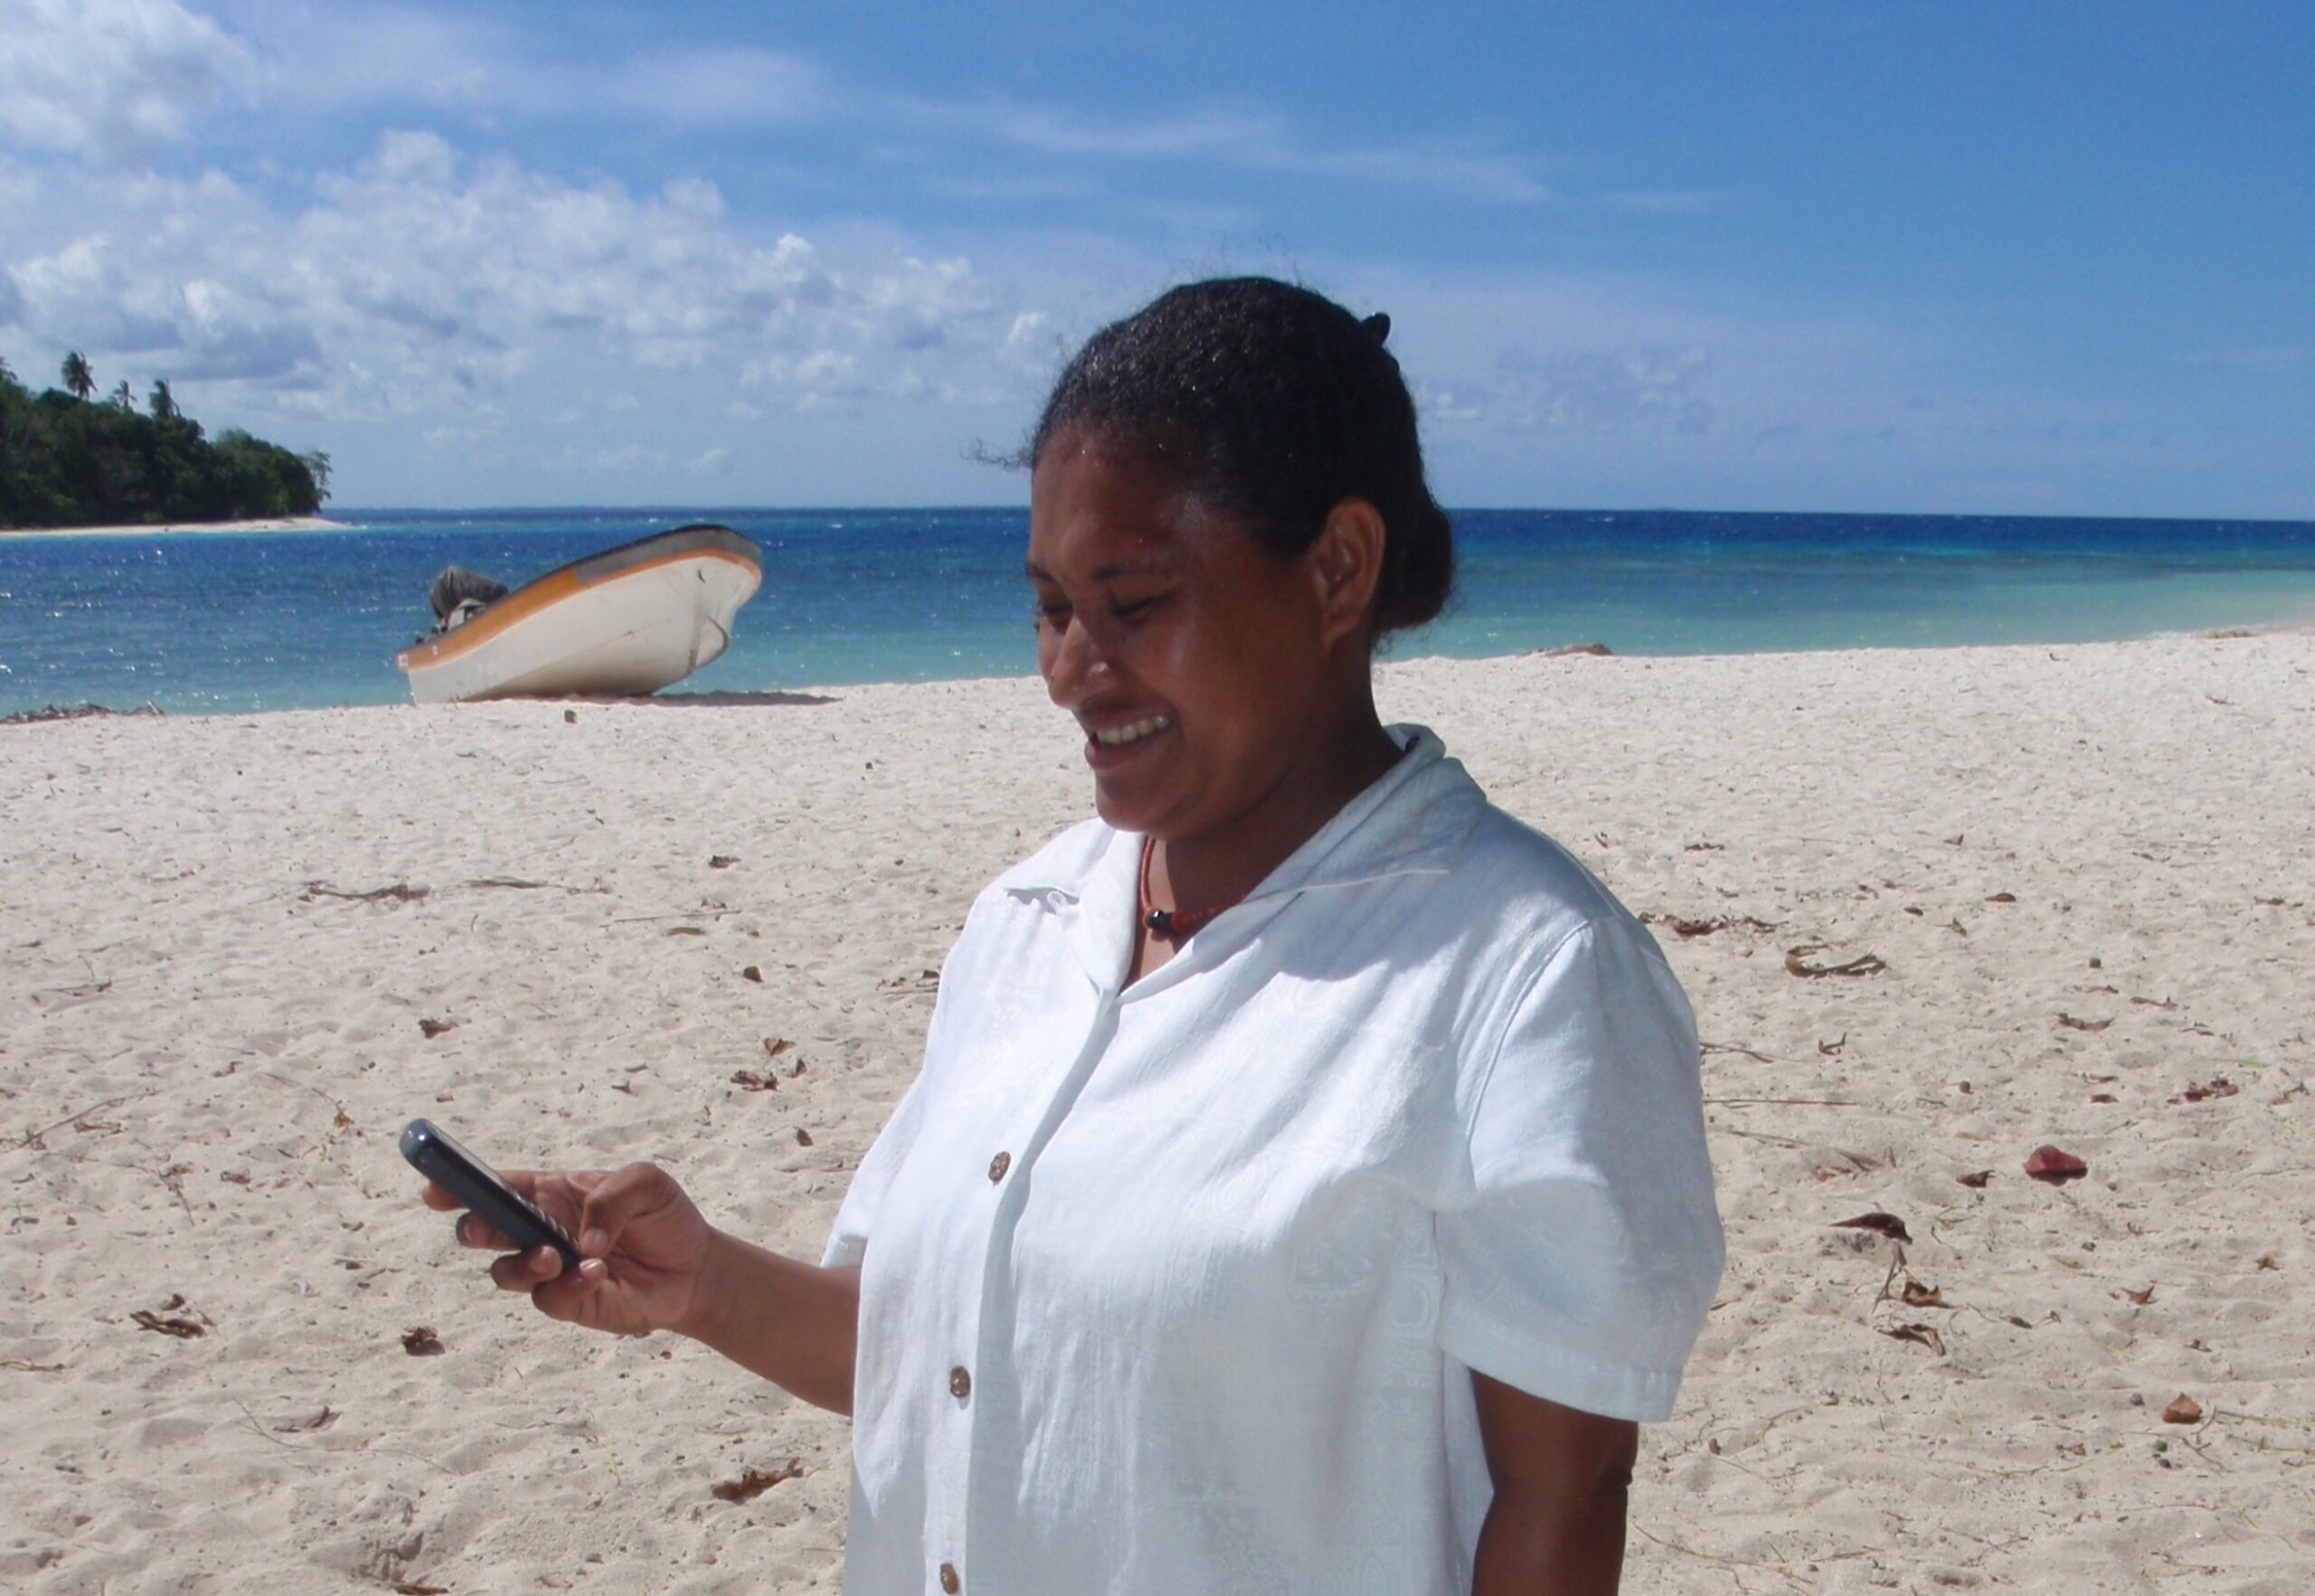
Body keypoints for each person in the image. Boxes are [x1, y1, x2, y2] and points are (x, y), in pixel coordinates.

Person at [420, 277, 1724, 1594]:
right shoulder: (1027, 924)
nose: (1069, 666)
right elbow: (944, 1359)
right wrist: (700, 1283)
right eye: (1049, 606)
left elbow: (1560, 1503)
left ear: (1338, 569)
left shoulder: (1527, 973)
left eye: (1134, 602)